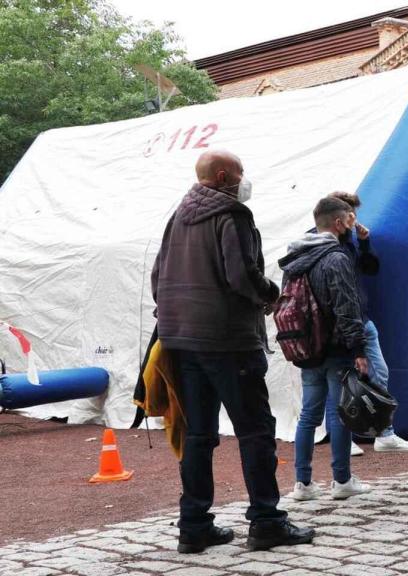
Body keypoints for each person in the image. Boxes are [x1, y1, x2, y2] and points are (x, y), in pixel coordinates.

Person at [151, 150, 314, 553]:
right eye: (241, 173)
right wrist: (270, 295)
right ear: (224, 175)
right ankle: (266, 521)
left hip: (181, 340)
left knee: (198, 434)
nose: (245, 181)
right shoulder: (232, 214)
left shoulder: (178, 216)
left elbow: (158, 276)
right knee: (255, 431)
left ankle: (193, 526)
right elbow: (241, 274)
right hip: (227, 339)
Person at [280, 196, 373, 502]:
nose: (352, 223)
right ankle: (341, 480)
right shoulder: (336, 258)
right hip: (335, 347)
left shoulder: (294, 258)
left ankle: (302, 483)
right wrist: (358, 349)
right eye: (348, 219)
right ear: (337, 223)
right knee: (340, 412)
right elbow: (347, 308)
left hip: (305, 347)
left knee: (308, 414)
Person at [326, 191, 408, 453]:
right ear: (339, 217)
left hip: (362, 320)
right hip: (340, 325)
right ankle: (344, 438)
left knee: (379, 373)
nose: (354, 220)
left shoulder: (350, 241)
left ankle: (384, 433)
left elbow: (370, 269)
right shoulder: (325, 243)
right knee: (340, 381)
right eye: (350, 215)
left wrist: (365, 242)